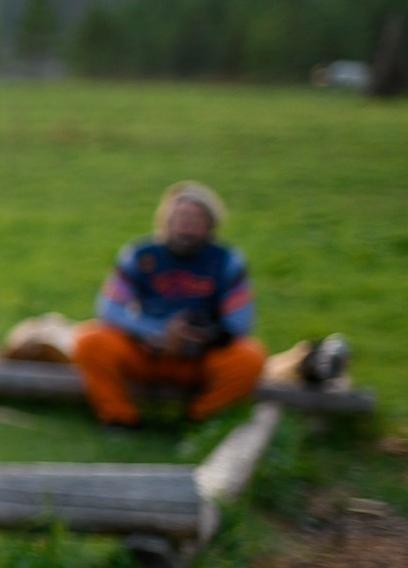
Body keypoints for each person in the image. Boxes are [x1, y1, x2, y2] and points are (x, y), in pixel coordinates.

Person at [73, 182, 266, 430]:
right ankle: (119, 417)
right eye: (182, 218)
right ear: (166, 221)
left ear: (211, 226)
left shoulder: (226, 261)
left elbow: (241, 322)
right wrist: (157, 331)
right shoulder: (141, 255)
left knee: (249, 357)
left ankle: (199, 420)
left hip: (200, 357)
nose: (188, 226)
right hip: (148, 350)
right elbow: (109, 309)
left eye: (197, 220)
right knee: (91, 340)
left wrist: (199, 336)